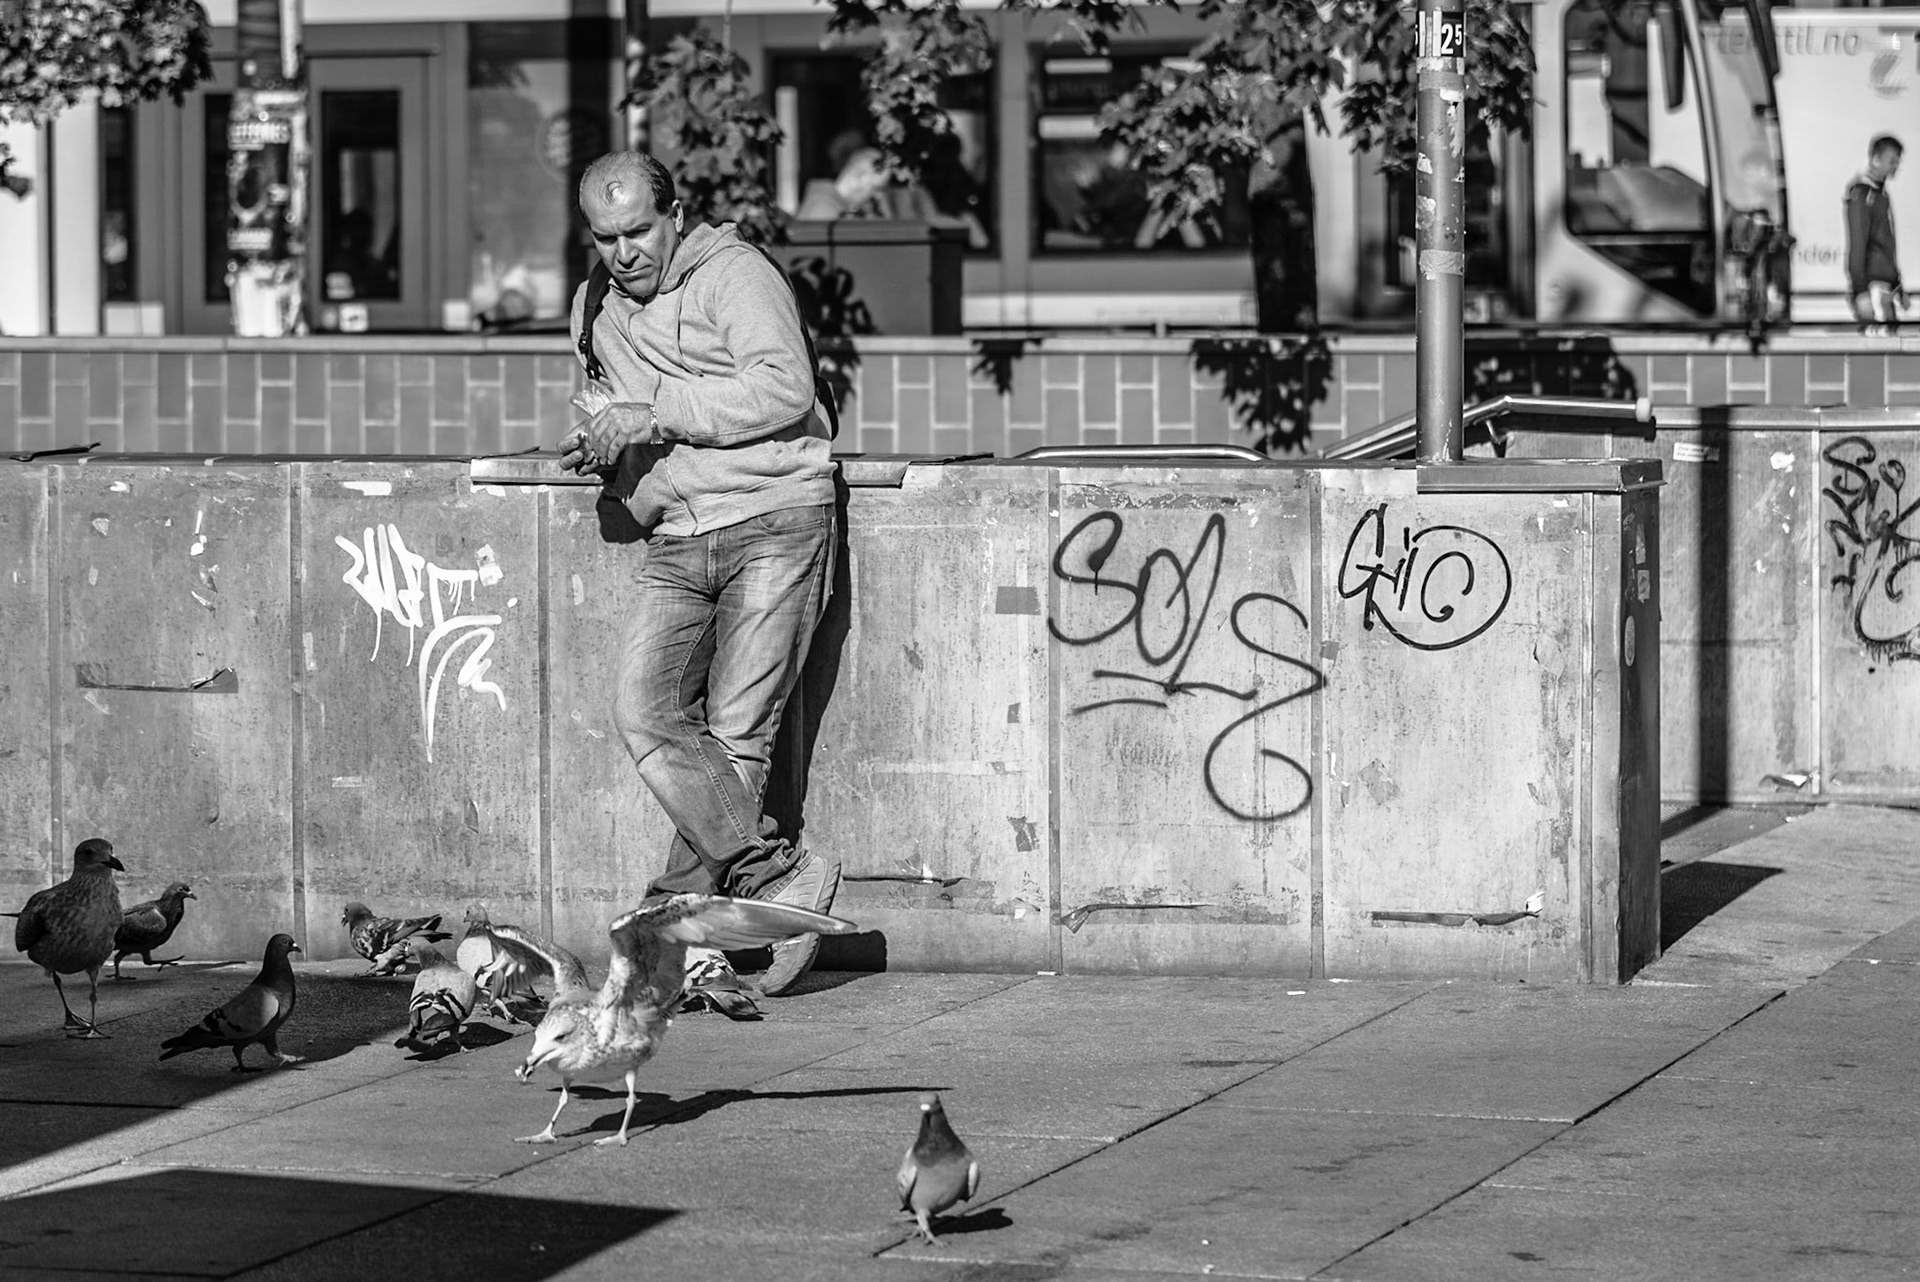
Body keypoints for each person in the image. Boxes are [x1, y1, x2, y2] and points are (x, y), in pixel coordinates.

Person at [558, 151, 841, 996]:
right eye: (605, 237)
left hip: (775, 516)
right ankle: (770, 880)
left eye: (639, 230)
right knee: (642, 710)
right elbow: (611, 408)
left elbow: (785, 387)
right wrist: (606, 451)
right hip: (678, 531)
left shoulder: (735, 275)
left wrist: (657, 413)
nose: (624, 252)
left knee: (737, 735)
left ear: (676, 213)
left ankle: (678, 924)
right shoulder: (594, 308)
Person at [1844, 134, 1905, 335]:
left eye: (1897, 161)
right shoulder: (1862, 194)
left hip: (1885, 286)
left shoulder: (1881, 194)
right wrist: (1860, 290)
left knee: (1893, 347)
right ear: (1876, 159)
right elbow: (1858, 242)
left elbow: (1886, 244)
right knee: (1880, 350)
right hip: (1872, 287)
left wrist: (1897, 284)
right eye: (1892, 161)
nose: (1895, 166)